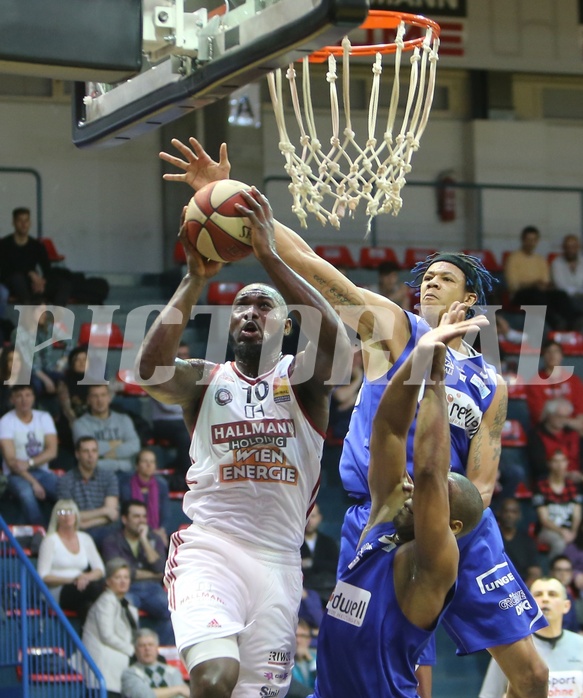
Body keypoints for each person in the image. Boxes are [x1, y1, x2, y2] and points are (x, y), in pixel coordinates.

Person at [160, 137, 548, 698]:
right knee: (376, 665)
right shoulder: (394, 326)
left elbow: (484, 478)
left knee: (532, 676)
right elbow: (312, 267)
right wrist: (228, 195)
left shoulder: (492, 383)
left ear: (472, 296)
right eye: (427, 277)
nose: (431, 282)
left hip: (455, 516)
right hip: (384, 509)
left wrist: (447, 520)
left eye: (446, 277)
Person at [136, 186, 349, 698]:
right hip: (212, 547)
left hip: (279, 562)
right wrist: (193, 280)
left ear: (287, 323)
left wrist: (269, 256)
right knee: (214, 679)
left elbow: (338, 347)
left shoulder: (302, 383)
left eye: (263, 306)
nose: (250, 312)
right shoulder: (206, 381)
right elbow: (150, 372)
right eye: (241, 305)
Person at [312, 312, 485, 697]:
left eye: (433, 499)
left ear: (451, 526)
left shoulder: (436, 563)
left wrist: (436, 383)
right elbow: (387, 429)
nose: (410, 492)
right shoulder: (384, 520)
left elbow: (427, 475)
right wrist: (419, 357)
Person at [479, 577, 583, 698]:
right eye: (538, 594)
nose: (545, 599)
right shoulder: (512, 648)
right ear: (527, 603)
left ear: (566, 606)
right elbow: (489, 694)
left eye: (552, 594)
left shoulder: (580, 644)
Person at [101, 499, 174, 646]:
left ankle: (157, 650)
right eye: (136, 516)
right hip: (126, 588)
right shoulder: (111, 541)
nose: (141, 521)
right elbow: (120, 571)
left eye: (143, 516)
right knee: (124, 612)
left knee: (172, 611)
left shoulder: (153, 538)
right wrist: (153, 574)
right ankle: (134, 651)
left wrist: (144, 540)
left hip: (152, 589)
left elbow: (161, 568)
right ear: (124, 519)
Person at [36, 498, 105, 621]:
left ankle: (85, 638)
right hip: (57, 591)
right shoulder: (50, 541)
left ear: (76, 515)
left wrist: (84, 577)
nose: (67, 516)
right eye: (62, 513)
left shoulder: (85, 538)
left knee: (87, 608)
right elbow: (43, 576)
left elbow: (100, 570)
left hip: (82, 589)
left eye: (70, 512)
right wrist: (73, 580)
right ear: (56, 517)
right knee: (97, 589)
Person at [0, 384, 58, 525]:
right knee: (27, 494)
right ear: (12, 399)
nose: (23, 400)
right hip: (16, 475)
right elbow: (12, 462)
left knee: (66, 490)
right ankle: (40, 534)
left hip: (42, 472)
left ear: (33, 398)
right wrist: (34, 483)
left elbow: (52, 451)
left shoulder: (44, 417)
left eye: (27, 395)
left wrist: (29, 463)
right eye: (19, 396)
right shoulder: (5, 422)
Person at [82, 557, 139, 698]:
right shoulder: (106, 601)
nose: (123, 581)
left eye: (126, 577)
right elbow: (107, 635)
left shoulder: (129, 606)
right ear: (108, 581)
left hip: (120, 668)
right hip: (104, 668)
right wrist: (132, 650)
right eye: (118, 577)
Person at [504, 225, 574, 330]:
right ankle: (554, 323)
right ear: (523, 240)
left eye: (534, 240)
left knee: (561, 295)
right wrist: (533, 284)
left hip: (540, 292)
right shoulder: (513, 259)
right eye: (528, 240)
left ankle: (571, 325)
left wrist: (544, 285)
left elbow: (545, 281)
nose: (531, 243)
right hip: (520, 294)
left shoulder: (540, 260)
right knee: (537, 295)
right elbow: (513, 285)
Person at [0, 207, 71, 306]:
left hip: (32, 284)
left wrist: (41, 281)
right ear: (14, 223)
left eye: (26, 220)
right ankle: (29, 312)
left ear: (30, 223)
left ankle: (56, 318)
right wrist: (29, 273)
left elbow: (47, 269)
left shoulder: (37, 245)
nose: (24, 224)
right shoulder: (4, 245)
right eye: (20, 220)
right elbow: (4, 272)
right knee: (17, 278)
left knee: (63, 284)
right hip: (13, 284)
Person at [57, 436, 120, 546]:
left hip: (104, 530)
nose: (91, 455)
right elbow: (69, 516)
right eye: (86, 451)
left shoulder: (109, 477)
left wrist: (85, 523)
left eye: (94, 451)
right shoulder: (65, 480)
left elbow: (112, 514)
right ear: (77, 454)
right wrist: (104, 511)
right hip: (77, 533)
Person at [72, 385, 141, 474]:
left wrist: (105, 455)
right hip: (98, 474)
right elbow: (86, 451)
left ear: (109, 398)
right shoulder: (80, 424)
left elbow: (135, 445)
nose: (100, 400)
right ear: (88, 400)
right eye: (95, 396)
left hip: (126, 473)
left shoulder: (124, 419)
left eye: (103, 395)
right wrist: (115, 443)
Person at [533, 449, 582, 559]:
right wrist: (562, 532)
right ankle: (554, 574)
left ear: (567, 463)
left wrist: (573, 532)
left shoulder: (573, 486)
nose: (559, 465)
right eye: (555, 461)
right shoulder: (541, 486)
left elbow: (577, 515)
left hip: (570, 529)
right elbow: (544, 519)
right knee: (559, 543)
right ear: (549, 464)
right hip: (547, 530)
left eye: (562, 461)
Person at [524, 338, 583, 428]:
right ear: (543, 356)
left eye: (556, 352)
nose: (552, 355)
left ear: (562, 356)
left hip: (572, 427)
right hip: (546, 428)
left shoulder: (574, 380)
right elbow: (539, 417)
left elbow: (580, 413)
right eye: (548, 352)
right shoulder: (534, 382)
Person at [119, 448, 171, 545]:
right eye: (145, 461)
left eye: (152, 462)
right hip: (132, 529)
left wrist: (161, 530)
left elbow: (165, 513)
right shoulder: (126, 484)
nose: (149, 465)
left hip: (156, 531)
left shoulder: (161, 484)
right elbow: (127, 511)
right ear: (137, 465)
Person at [526, 398, 582, 485]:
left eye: (566, 417)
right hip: (548, 479)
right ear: (549, 415)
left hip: (576, 478)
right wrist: (566, 475)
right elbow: (539, 465)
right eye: (559, 416)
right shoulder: (536, 434)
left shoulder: (573, 434)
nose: (563, 420)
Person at [121, 629, 189, 698]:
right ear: (135, 650)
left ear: (156, 648)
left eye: (150, 645)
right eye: (142, 645)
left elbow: (182, 695)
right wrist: (178, 689)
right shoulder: (129, 673)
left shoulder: (173, 671)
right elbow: (143, 696)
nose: (147, 648)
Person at [496, 498, 542, 587]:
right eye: (506, 511)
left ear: (519, 515)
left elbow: (535, 571)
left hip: (521, 587)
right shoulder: (491, 538)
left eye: (514, 512)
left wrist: (522, 589)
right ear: (499, 513)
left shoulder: (527, 541)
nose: (509, 515)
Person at [301, 503, 339, 606]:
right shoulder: (296, 544)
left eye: (313, 516)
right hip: (304, 591)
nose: (309, 520)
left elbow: (336, 566)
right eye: (307, 516)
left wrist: (312, 563)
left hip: (327, 589)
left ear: (319, 518)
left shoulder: (328, 542)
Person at [551, 234, 583, 318]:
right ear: (563, 248)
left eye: (573, 247)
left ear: (578, 247)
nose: (570, 250)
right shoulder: (557, 263)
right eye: (568, 247)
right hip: (566, 299)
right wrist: (577, 293)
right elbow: (560, 285)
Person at [549, 555, 581, 633]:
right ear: (551, 572)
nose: (563, 574)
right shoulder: (546, 595)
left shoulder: (571, 595)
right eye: (559, 570)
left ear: (572, 573)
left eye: (567, 570)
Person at [291, 619, 317, 691]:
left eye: (302, 636)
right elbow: (293, 688)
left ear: (309, 640)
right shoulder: (285, 661)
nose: (298, 640)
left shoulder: (317, 659)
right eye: (295, 636)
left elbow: (323, 685)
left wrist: (311, 660)